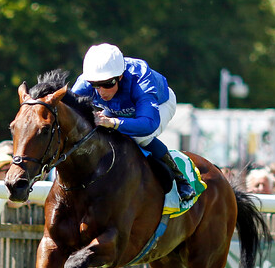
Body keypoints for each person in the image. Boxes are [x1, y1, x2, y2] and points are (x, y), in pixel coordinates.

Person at [70, 43, 195, 201]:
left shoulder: (141, 79)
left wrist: (114, 122)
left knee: (136, 137)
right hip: (120, 107)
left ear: (120, 76)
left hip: (159, 105)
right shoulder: (87, 80)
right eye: (95, 85)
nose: (101, 91)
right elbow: (65, 107)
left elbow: (148, 124)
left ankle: (181, 181)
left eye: (107, 84)